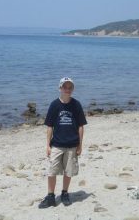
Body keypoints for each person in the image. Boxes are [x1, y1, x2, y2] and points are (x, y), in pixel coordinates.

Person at [38, 77, 87, 209]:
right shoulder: (54, 105)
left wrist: (80, 145)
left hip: (72, 145)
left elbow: (81, 126)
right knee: (51, 171)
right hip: (57, 145)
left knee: (68, 171)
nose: (67, 89)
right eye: (65, 87)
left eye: (70, 87)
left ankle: (65, 193)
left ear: (73, 89)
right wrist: (47, 145)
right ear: (60, 88)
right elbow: (49, 127)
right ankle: (50, 196)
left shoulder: (76, 105)